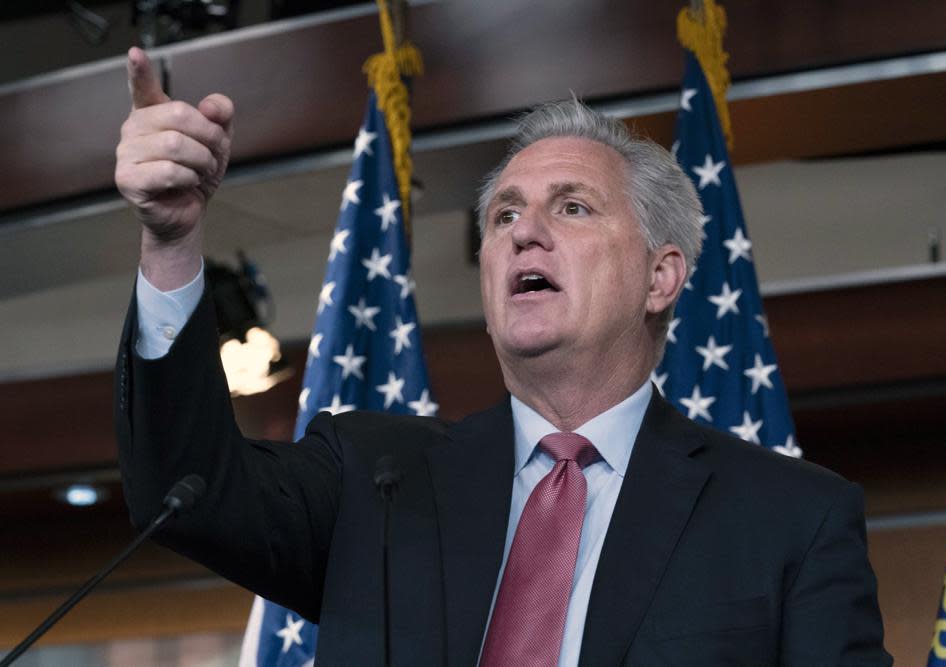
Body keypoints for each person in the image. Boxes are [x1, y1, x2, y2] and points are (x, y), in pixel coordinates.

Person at [114, 47, 892, 665]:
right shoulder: (372, 484)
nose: (524, 231)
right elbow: (188, 488)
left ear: (662, 276)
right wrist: (173, 241)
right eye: (505, 213)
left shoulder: (791, 520)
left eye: (573, 207)